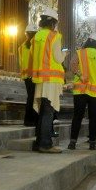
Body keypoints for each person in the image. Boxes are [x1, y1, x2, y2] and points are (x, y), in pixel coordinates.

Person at [30, 8, 67, 153]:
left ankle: (39, 142)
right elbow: (58, 58)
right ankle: (45, 144)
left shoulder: (36, 36)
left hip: (40, 79)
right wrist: (65, 54)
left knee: (43, 111)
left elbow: (34, 56)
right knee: (48, 112)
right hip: (51, 80)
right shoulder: (54, 36)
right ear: (53, 22)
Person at [67, 32, 96, 151]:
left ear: (89, 41)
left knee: (77, 116)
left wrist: (80, 76)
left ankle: (72, 143)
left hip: (80, 90)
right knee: (93, 118)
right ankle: (92, 143)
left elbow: (72, 65)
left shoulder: (80, 52)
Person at [19, 23, 39, 126]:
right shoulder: (37, 45)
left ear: (26, 34)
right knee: (35, 98)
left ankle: (27, 120)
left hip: (26, 76)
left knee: (30, 97)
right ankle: (34, 120)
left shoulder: (22, 47)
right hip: (35, 75)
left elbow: (21, 62)